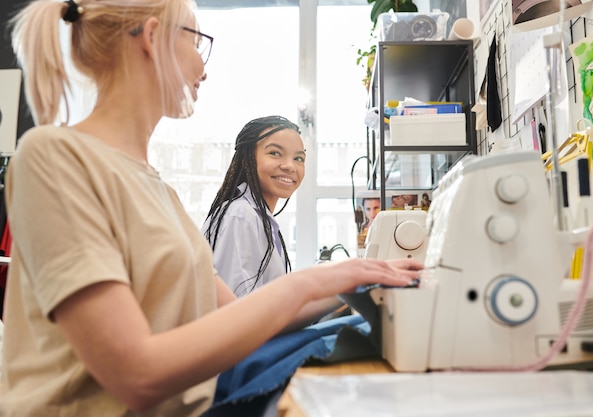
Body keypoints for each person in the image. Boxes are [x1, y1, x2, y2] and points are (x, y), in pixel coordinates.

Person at [1, 1, 423, 416]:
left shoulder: (160, 192)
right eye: (197, 41)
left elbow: (237, 315)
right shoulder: (54, 157)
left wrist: (354, 282)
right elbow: (136, 374)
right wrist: (312, 281)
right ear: (152, 38)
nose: (204, 67)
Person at [202, 116, 303, 297]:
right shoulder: (241, 216)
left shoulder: (257, 217)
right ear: (247, 158)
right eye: (275, 153)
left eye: (298, 158)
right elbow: (237, 309)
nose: (290, 166)